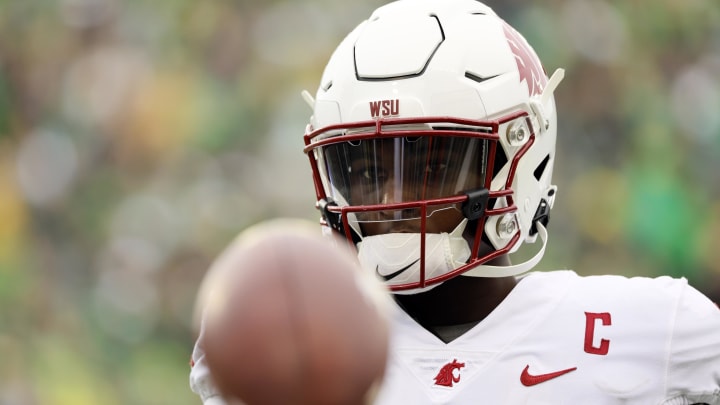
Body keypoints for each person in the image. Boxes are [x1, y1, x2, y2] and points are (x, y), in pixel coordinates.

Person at [190, 0, 720, 403]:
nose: (393, 201)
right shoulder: (288, 334)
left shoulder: (657, 329)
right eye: (367, 171)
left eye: (431, 166)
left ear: (520, 155)